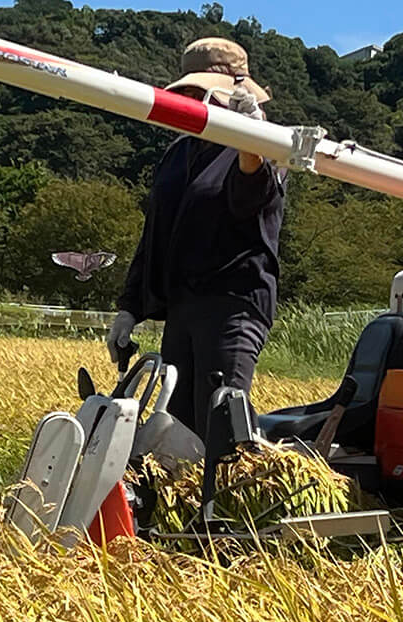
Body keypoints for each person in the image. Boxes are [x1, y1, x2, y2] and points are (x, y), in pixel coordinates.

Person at [106, 37, 286, 442]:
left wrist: (251, 138)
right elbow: (155, 233)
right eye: (185, 92)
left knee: (220, 423)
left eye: (198, 92)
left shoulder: (266, 145)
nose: (190, 100)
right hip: (182, 308)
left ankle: (225, 504)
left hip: (232, 306)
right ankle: (181, 504)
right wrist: (129, 308)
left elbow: (249, 198)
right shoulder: (178, 153)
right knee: (174, 428)